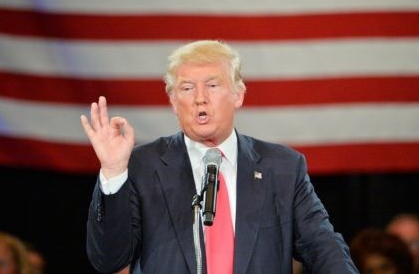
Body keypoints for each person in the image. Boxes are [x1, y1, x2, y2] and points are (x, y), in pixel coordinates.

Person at [82, 40, 358, 273]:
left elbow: (322, 245)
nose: (200, 98)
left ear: (238, 94)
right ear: (173, 102)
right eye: (187, 88)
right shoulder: (143, 166)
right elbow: (109, 260)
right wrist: (114, 171)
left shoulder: (283, 167)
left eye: (212, 86)